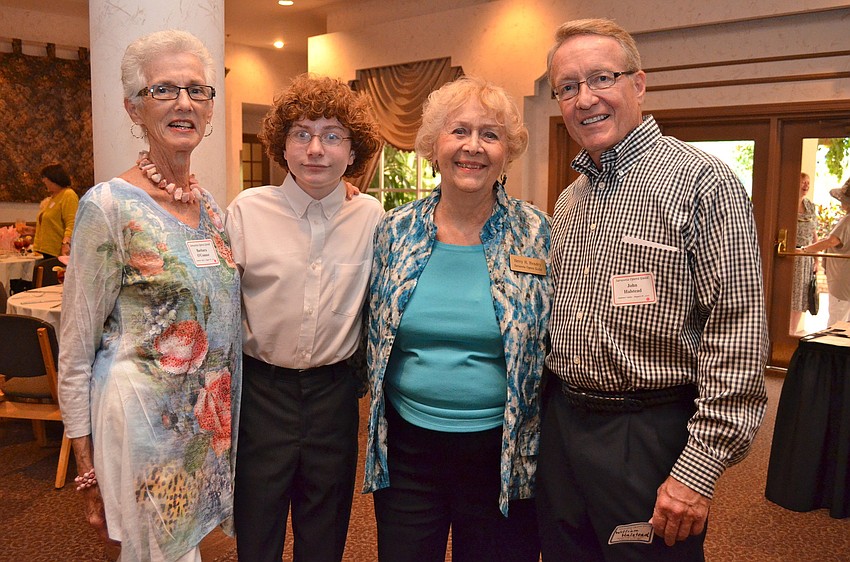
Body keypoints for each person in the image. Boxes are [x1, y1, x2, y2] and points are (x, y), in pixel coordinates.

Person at [538, 18, 768, 561]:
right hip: (565, 428)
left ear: (638, 84)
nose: (585, 98)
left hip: (648, 434)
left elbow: (737, 333)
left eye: (601, 78)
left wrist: (697, 472)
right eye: (567, 88)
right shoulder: (568, 203)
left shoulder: (703, 181)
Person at [58, 30, 241, 562]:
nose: (185, 103)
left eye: (197, 90)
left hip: (203, 428)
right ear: (133, 107)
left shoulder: (213, 211)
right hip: (140, 427)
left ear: (209, 109)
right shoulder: (108, 206)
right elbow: (75, 345)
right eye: (164, 89)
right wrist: (84, 462)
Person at [364, 76, 552, 562]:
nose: (473, 147)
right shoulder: (395, 230)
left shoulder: (536, 234)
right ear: (433, 146)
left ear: (507, 151)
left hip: (503, 452)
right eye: (459, 131)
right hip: (409, 451)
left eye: (489, 135)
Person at [225, 73, 383, 562]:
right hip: (260, 394)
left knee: (326, 532)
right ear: (282, 146)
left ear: (353, 153)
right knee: (257, 529)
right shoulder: (246, 212)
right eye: (302, 134)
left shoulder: (373, 218)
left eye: (333, 136)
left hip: (334, 399)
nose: (316, 149)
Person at [802, 177, 850, 326]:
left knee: (837, 320)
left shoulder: (847, 221)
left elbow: (831, 241)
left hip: (843, 280)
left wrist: (805, 249)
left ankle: (832, 348)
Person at [790, 172, 819, 333]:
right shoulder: (786, 204)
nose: (806, 185)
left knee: (801, 298)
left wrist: (817, 261)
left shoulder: (810, 206)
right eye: (803, 182)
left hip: (805, 257)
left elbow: (814, 234)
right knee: (788, 296)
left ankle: (792, 333)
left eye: (808, 182)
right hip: (790, 254)